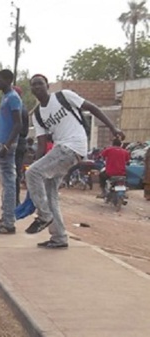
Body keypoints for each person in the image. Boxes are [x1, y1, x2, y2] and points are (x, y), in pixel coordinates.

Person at [26, 74, 125, 248]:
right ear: (31, 89)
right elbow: (41, 145)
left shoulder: (63, 96)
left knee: (32, 173)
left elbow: (92, 108)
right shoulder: (38, 115)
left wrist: (112, 127)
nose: (37, 87)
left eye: (40, 84)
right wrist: (37, 164)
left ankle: (44, 216)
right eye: (34, 85)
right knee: (49, 192)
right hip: (60, 151)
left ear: (47, 86)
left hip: (73, 146)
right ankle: (59, 238)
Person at [0, 70, 23, 234]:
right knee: (6, 183)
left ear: (8, 80)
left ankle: (9, 223)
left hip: (7, 146)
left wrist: (7, 145)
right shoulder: (6, 97)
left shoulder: (14, 98)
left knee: (9, 184)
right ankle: (5, 217)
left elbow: (18, 124)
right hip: (2, 143)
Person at [13, 86, 30, 205]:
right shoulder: (23, 109)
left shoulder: (18, 110)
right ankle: (14, 200)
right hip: (20, 143)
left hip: (16, 144)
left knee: (12, 174)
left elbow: (18, 128)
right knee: (15, 173)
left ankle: (14, 200)